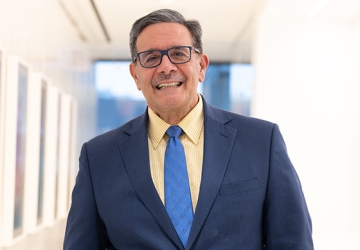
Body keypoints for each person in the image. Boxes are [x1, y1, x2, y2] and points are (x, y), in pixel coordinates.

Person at [64, 9, 313, 250]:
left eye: (179, 54)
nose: (166, 67)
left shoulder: (260, 142)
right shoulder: (98, 157)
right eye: (151, 58)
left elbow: (293, 242)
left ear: (202, 66)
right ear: (135, 75)